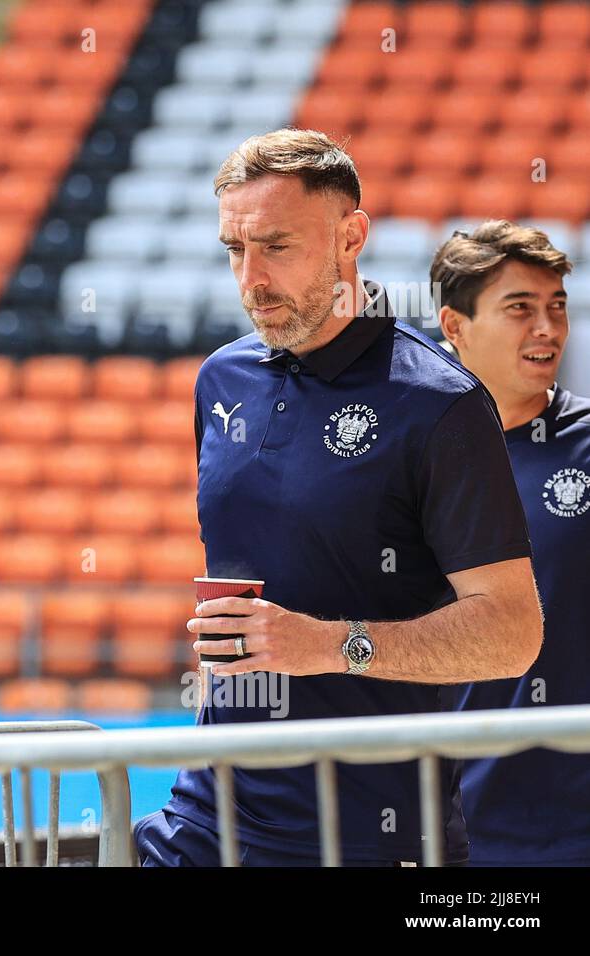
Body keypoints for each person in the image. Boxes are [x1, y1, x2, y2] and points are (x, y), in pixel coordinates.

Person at [132, 128, 544, 867]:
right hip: (205, 816)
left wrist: (326, 645)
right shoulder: (221, 380)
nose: (250, 278)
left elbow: (513, 634)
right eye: (234, 249)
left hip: (367, 836)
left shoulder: (438, 405)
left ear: (351, 236)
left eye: (277, 246)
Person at [432, 221, 590, 866]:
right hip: (444, 830)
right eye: (520, 309)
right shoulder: (406, 459)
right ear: (455, 326)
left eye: (557, 308)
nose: (547, 328)